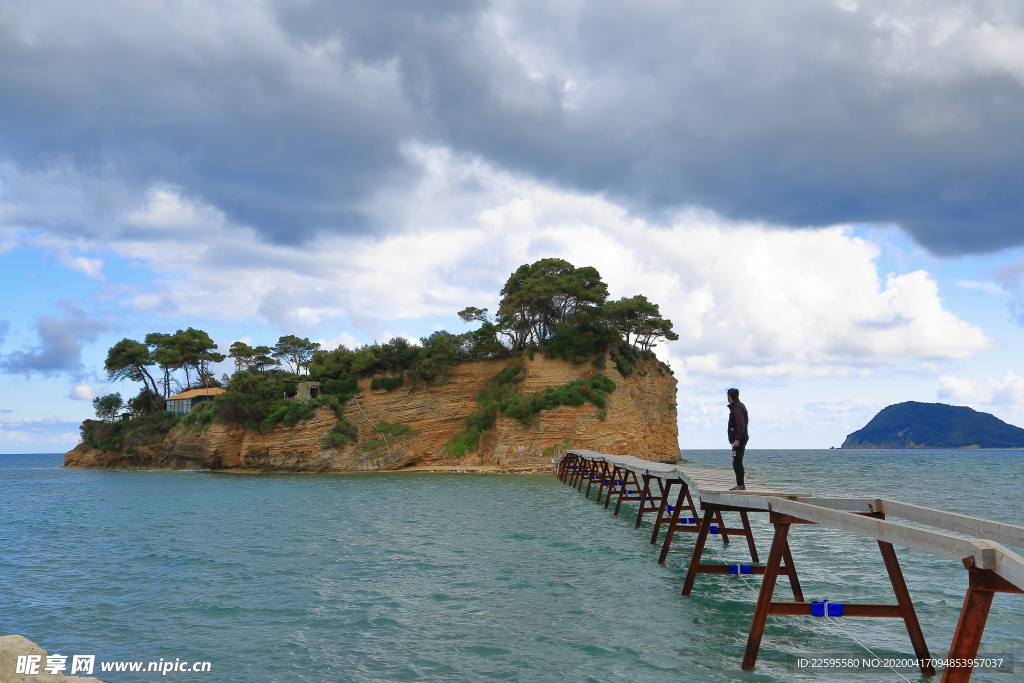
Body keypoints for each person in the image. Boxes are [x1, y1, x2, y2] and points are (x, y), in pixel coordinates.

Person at [727, 388, 749, 491]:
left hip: (738, 441)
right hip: (738, 440)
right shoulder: (738, 407)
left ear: (729, 397)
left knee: (737, 461)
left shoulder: (737, 408)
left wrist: (737, 439)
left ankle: (741, 485)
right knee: (736, 461)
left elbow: (741, 425)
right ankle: (740, 484)